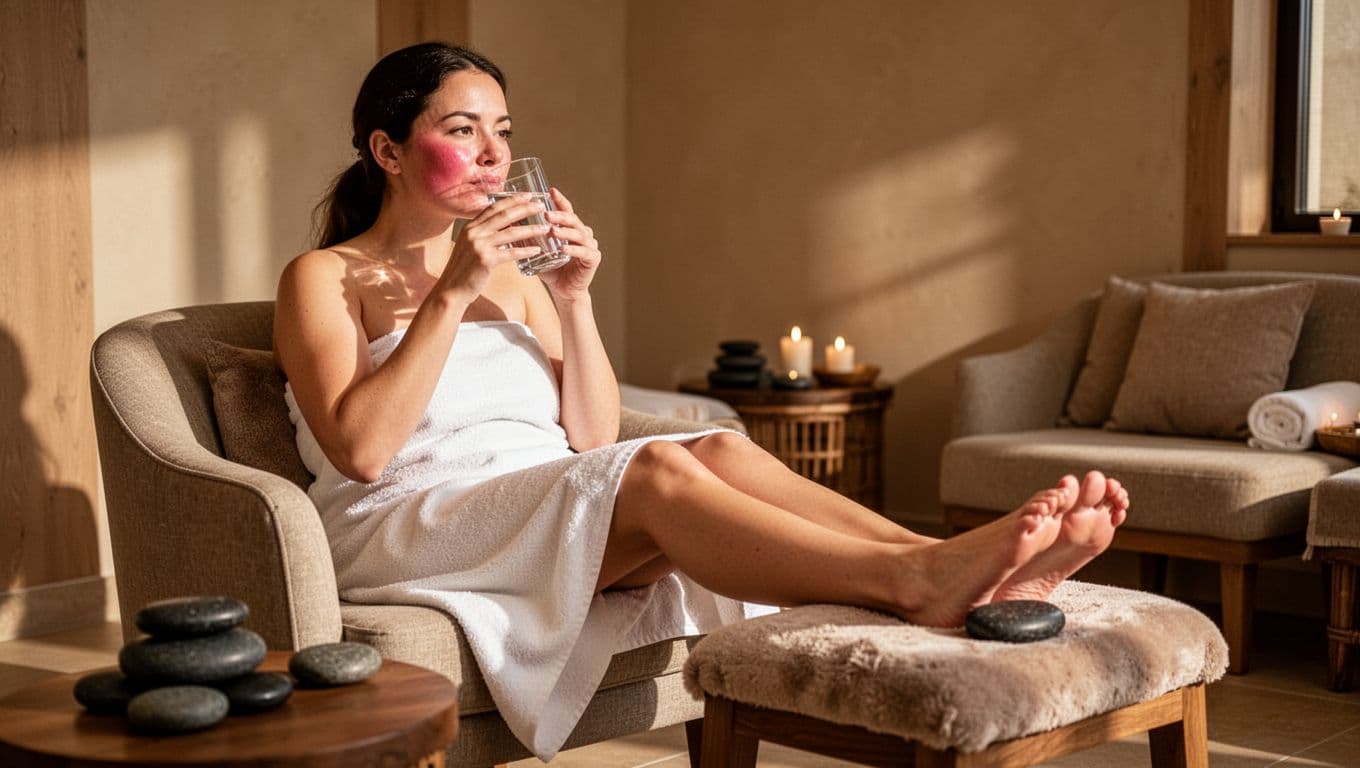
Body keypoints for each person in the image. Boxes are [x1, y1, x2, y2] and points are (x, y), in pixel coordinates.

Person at [273, 41, 1129, 759]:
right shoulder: (324, 277)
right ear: (387, 151)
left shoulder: (517, 275)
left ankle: (954, 560)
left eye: (503, 130)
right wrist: (451, 295)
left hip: (529, 502)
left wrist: (574, 296)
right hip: (409, 521)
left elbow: (590, 435)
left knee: (709, 448)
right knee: (650, 474)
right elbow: (363, 451)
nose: (494, 154)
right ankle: (915, 581)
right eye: (462, 130)